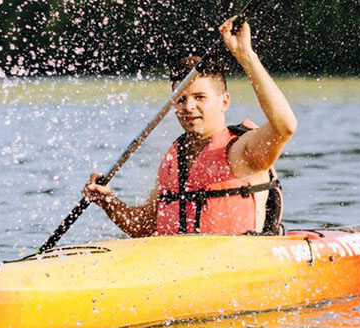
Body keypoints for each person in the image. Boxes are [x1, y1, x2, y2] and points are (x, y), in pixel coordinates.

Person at [82, 17, 297, 236]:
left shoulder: (243, 151)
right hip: (182, 261)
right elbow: (145, 227)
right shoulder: (176, 157)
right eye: (181, 100)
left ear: (224, 101)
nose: (189, 107)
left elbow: (285, 126)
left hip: (240, 259)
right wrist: (107, 201)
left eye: (200, 97)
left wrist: (246, 56)